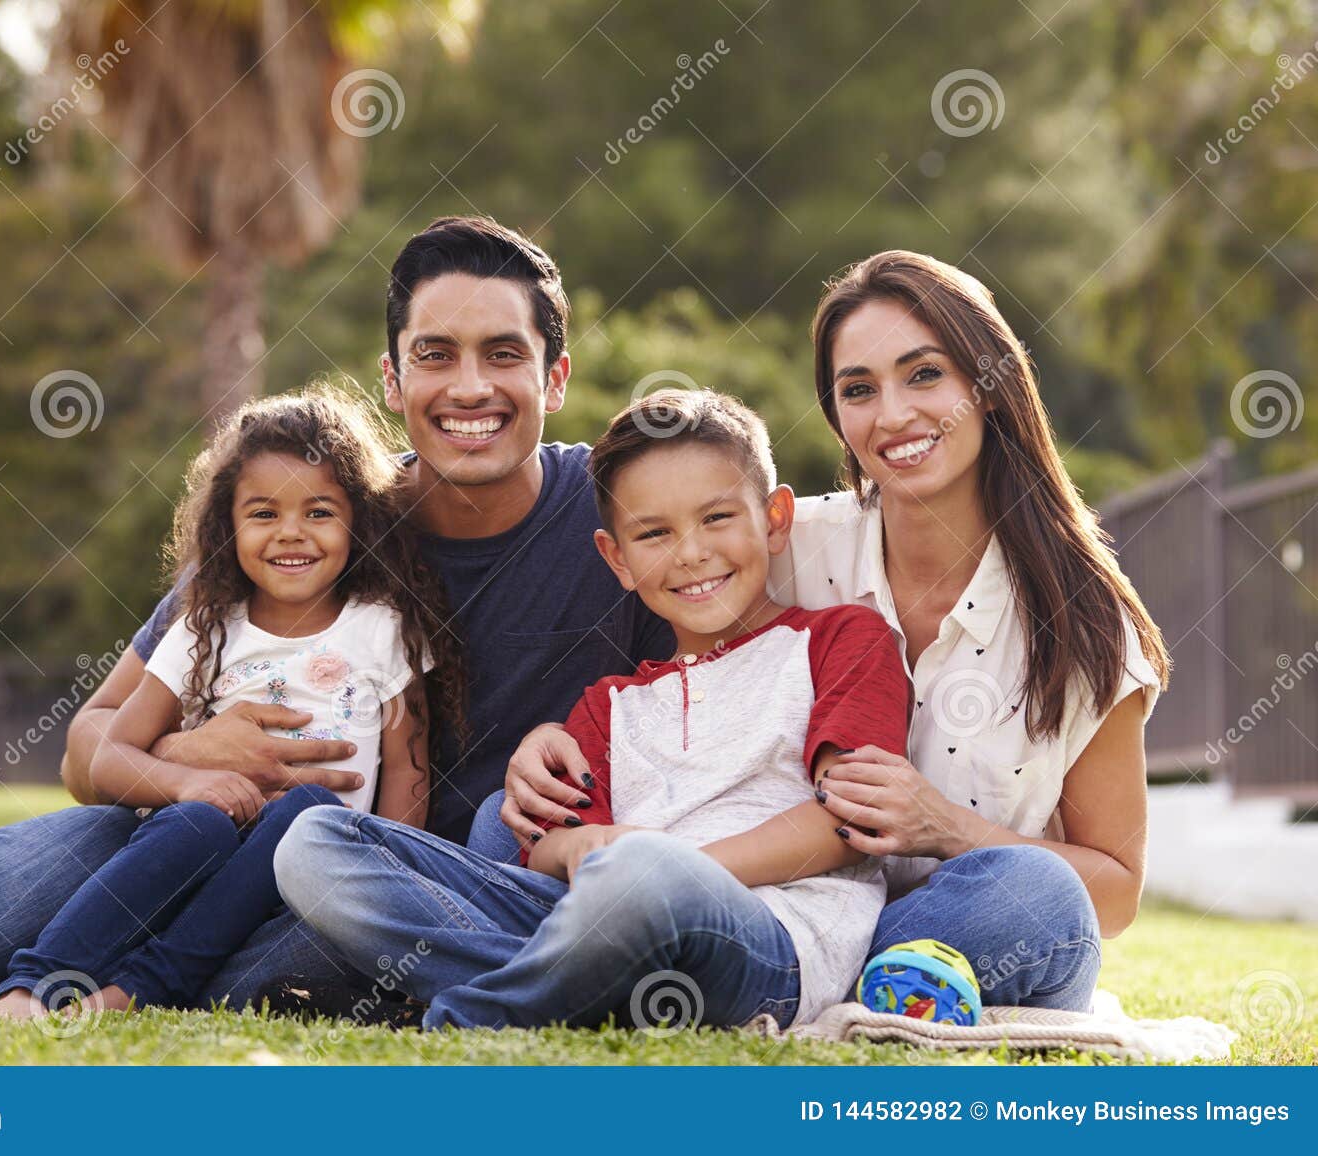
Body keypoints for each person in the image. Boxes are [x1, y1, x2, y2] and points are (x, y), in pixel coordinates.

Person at [0, 216, 673, 1010]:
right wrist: (187, 756)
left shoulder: (621, 516)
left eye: (503, 355)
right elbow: (84, 750)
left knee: (281, 973)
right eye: (436, 355)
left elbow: (742, 570)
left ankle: (113, 983)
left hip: (385, 886)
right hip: (193, 832)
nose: (469, 387)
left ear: (553, 379)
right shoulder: (311, 529)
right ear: (393, 381)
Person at [496, 250, 1170, 1012]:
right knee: (507, 823)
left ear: (990, 385)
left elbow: (1113, 892)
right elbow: (662, 638)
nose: (893, 415)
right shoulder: (790, 543)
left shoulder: (1085, 621)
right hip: (767, 895)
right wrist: (548, 739)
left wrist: (942, 826)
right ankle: (724, 968)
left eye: (925, 375)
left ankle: (768, 980)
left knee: (1035, 895)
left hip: (932, 924)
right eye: (858, 389)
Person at [276, 390, 913, 1030]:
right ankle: (573, 991)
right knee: (314, 843)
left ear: (774, 518)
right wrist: (592, 849)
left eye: (716, 518)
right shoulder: (608, 705)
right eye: (655, 533)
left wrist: (657, 867)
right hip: (592, 921)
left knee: (635, 875)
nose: (690, 553)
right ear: (617, 558)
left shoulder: (840, 640)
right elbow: (550, 852)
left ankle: (479, 1016)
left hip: (769, 938)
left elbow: (847, 820)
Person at [0, 387, 462, 1019]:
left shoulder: (384, 629)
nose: (291, 533)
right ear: (227, 524)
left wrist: (393, 890)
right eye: (263, 514)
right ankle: (35, 984)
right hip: (200, 849)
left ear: (359, 519)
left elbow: (409, 770)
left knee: (309, 812)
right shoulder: (203, 627)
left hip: (314, 868)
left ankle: (134, 993)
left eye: (319, 512)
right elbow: (106, 755)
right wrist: (186, 782)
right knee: (198, 821)